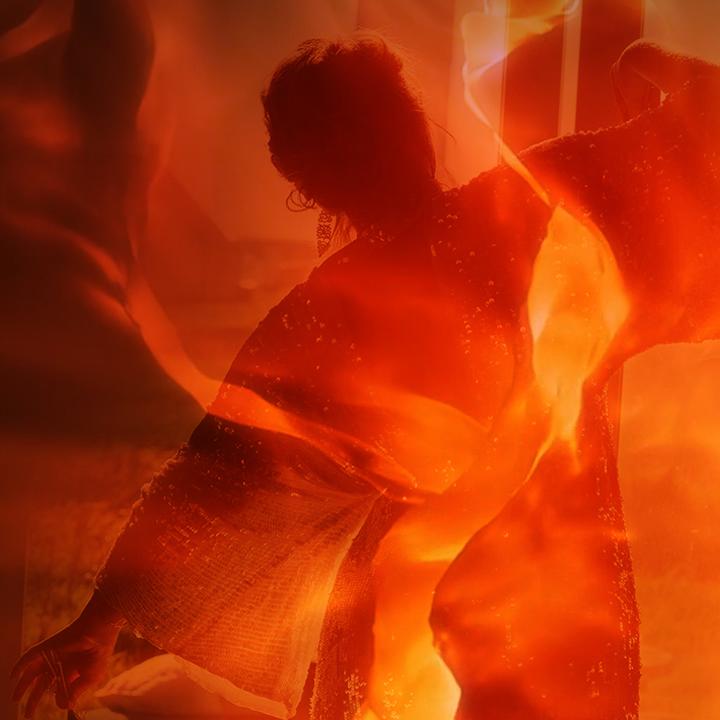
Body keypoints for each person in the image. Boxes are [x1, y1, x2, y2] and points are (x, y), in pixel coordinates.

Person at [11, 34, 720, 720]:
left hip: (448, 599)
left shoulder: (332, 306)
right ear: (414, 129)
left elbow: (209, 476)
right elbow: (705, 118)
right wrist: (648, 63)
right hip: (539, 583)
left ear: (307, 184)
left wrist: (99, 622)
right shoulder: (525, 207)